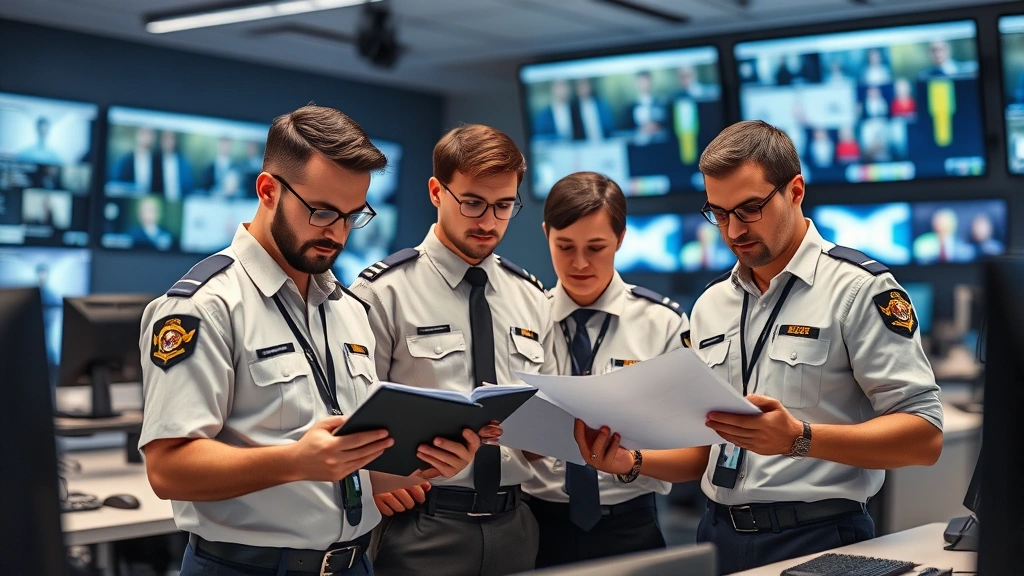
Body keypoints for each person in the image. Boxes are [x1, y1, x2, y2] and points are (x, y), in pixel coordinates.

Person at [575, 120, 944, 574]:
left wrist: (800, 439)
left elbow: (925, 437)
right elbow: (706, 448)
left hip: (817, 534)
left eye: (749, 209)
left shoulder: (859, 290)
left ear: (795, 190)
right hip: (717, 535)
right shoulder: (712, 303)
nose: (733, 230)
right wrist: (630, 461)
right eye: (719, 213)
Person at [137, 105, 488, 576]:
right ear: (267, 191)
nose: (337, 233)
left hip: (353, 564)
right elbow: (167, 469)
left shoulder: (348, 309)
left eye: (352, 215)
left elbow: (346, 465)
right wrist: (295, 462)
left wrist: (425, 463)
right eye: (322, 212)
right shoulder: (203, 306)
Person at [350, 124, 555, 576]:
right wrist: (373, 481)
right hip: (422, 520)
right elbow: (349, 412)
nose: (488, 222)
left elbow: (543, 412)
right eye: (473, 203)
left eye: (504, 206)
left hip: (514, 521)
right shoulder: (383, 292)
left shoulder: (531, 295)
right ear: (436, 192)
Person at [524, 171, 688, 567]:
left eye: (596, 247)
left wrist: (632, 463)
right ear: (546, 234)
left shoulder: (662, 323)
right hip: (535, 525)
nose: (579, 263)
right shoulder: (523, 319)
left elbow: (697, 454)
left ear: (621, 238)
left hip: (630, 524)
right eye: (564, 246)